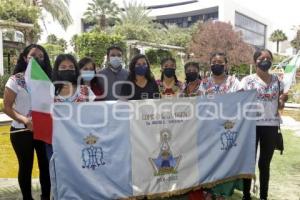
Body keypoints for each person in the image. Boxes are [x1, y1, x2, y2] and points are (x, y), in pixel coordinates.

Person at [3, 44, 51, 200]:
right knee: (26, 167)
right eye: (33, 56)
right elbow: (7, 107)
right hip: (21, 131)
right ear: (25, 58)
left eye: (40, 57)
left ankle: (46, 197)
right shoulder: (16, 80)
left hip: (44, 130)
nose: (36, 59)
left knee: (46, 167)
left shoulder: (48, 81)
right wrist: (24, 119)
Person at [241, 49, 288, 200]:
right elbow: (239, 103)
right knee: (249, 162)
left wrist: (283, 100)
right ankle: (246, 195)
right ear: (255, 61)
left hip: (271, 126)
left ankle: (263, 197)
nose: (265, 60)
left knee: (265, 164)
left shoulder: (278, 81)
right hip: (251, 126)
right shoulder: (247, 81)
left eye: (268, 58)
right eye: (262, 58)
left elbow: (279, 107)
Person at [197, 52, 242, 200]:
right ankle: (208, 190)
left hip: (227, 127)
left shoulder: (234, 82)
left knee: (224, 159)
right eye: (214, 62)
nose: (217, 64)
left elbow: (242, 99)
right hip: (209, 129)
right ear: (210, 65)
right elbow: (198, 105)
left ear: (226, 65)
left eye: (220, 62)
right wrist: (204, 96)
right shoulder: (204, 83)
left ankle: (222, 192)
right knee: (209, 159)